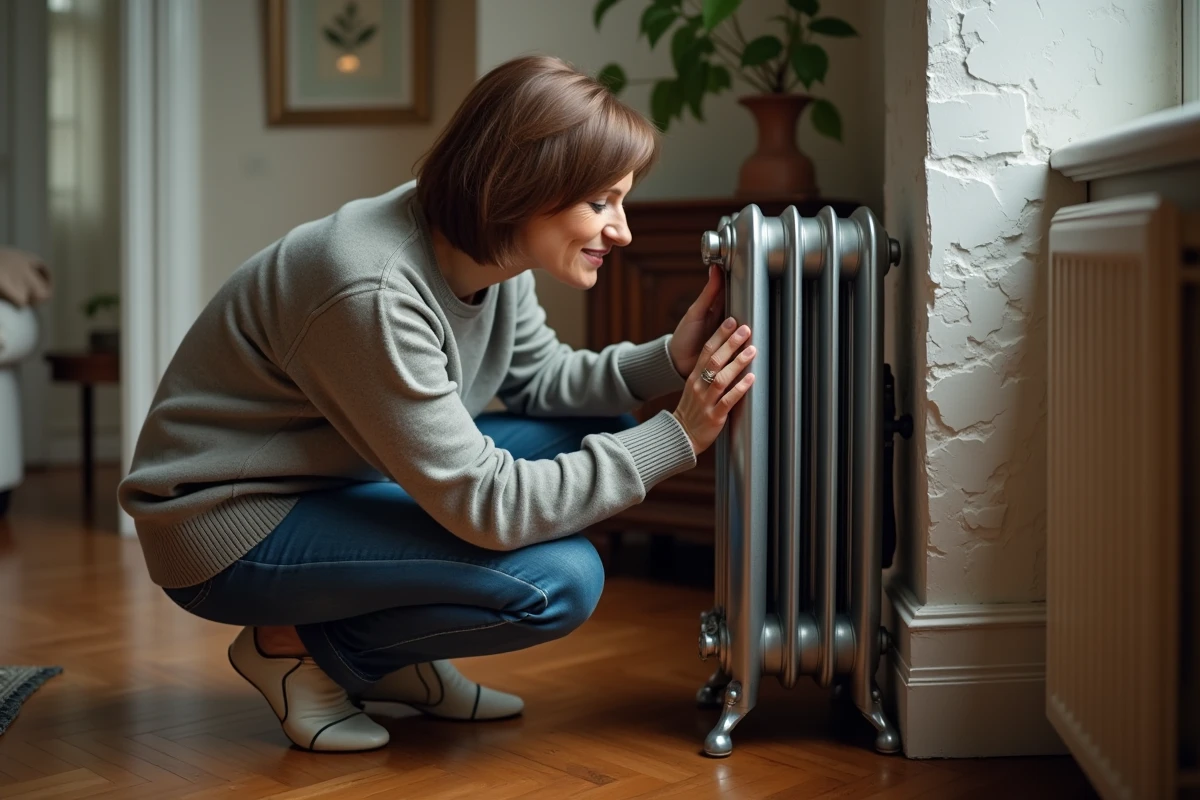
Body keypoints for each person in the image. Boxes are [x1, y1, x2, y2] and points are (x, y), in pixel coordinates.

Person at [117, 54, 757, 753]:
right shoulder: (372, 287)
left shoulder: (489, 245)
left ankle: (392, 659)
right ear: (522, 187)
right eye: (600, 202)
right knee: (561, 580)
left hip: (338, 479)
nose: (622, 230)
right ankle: (294, 650)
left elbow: (540, 379)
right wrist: (678, 437)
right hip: (229, 523)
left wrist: (672, 360)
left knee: (594, 428)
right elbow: (489, 504)